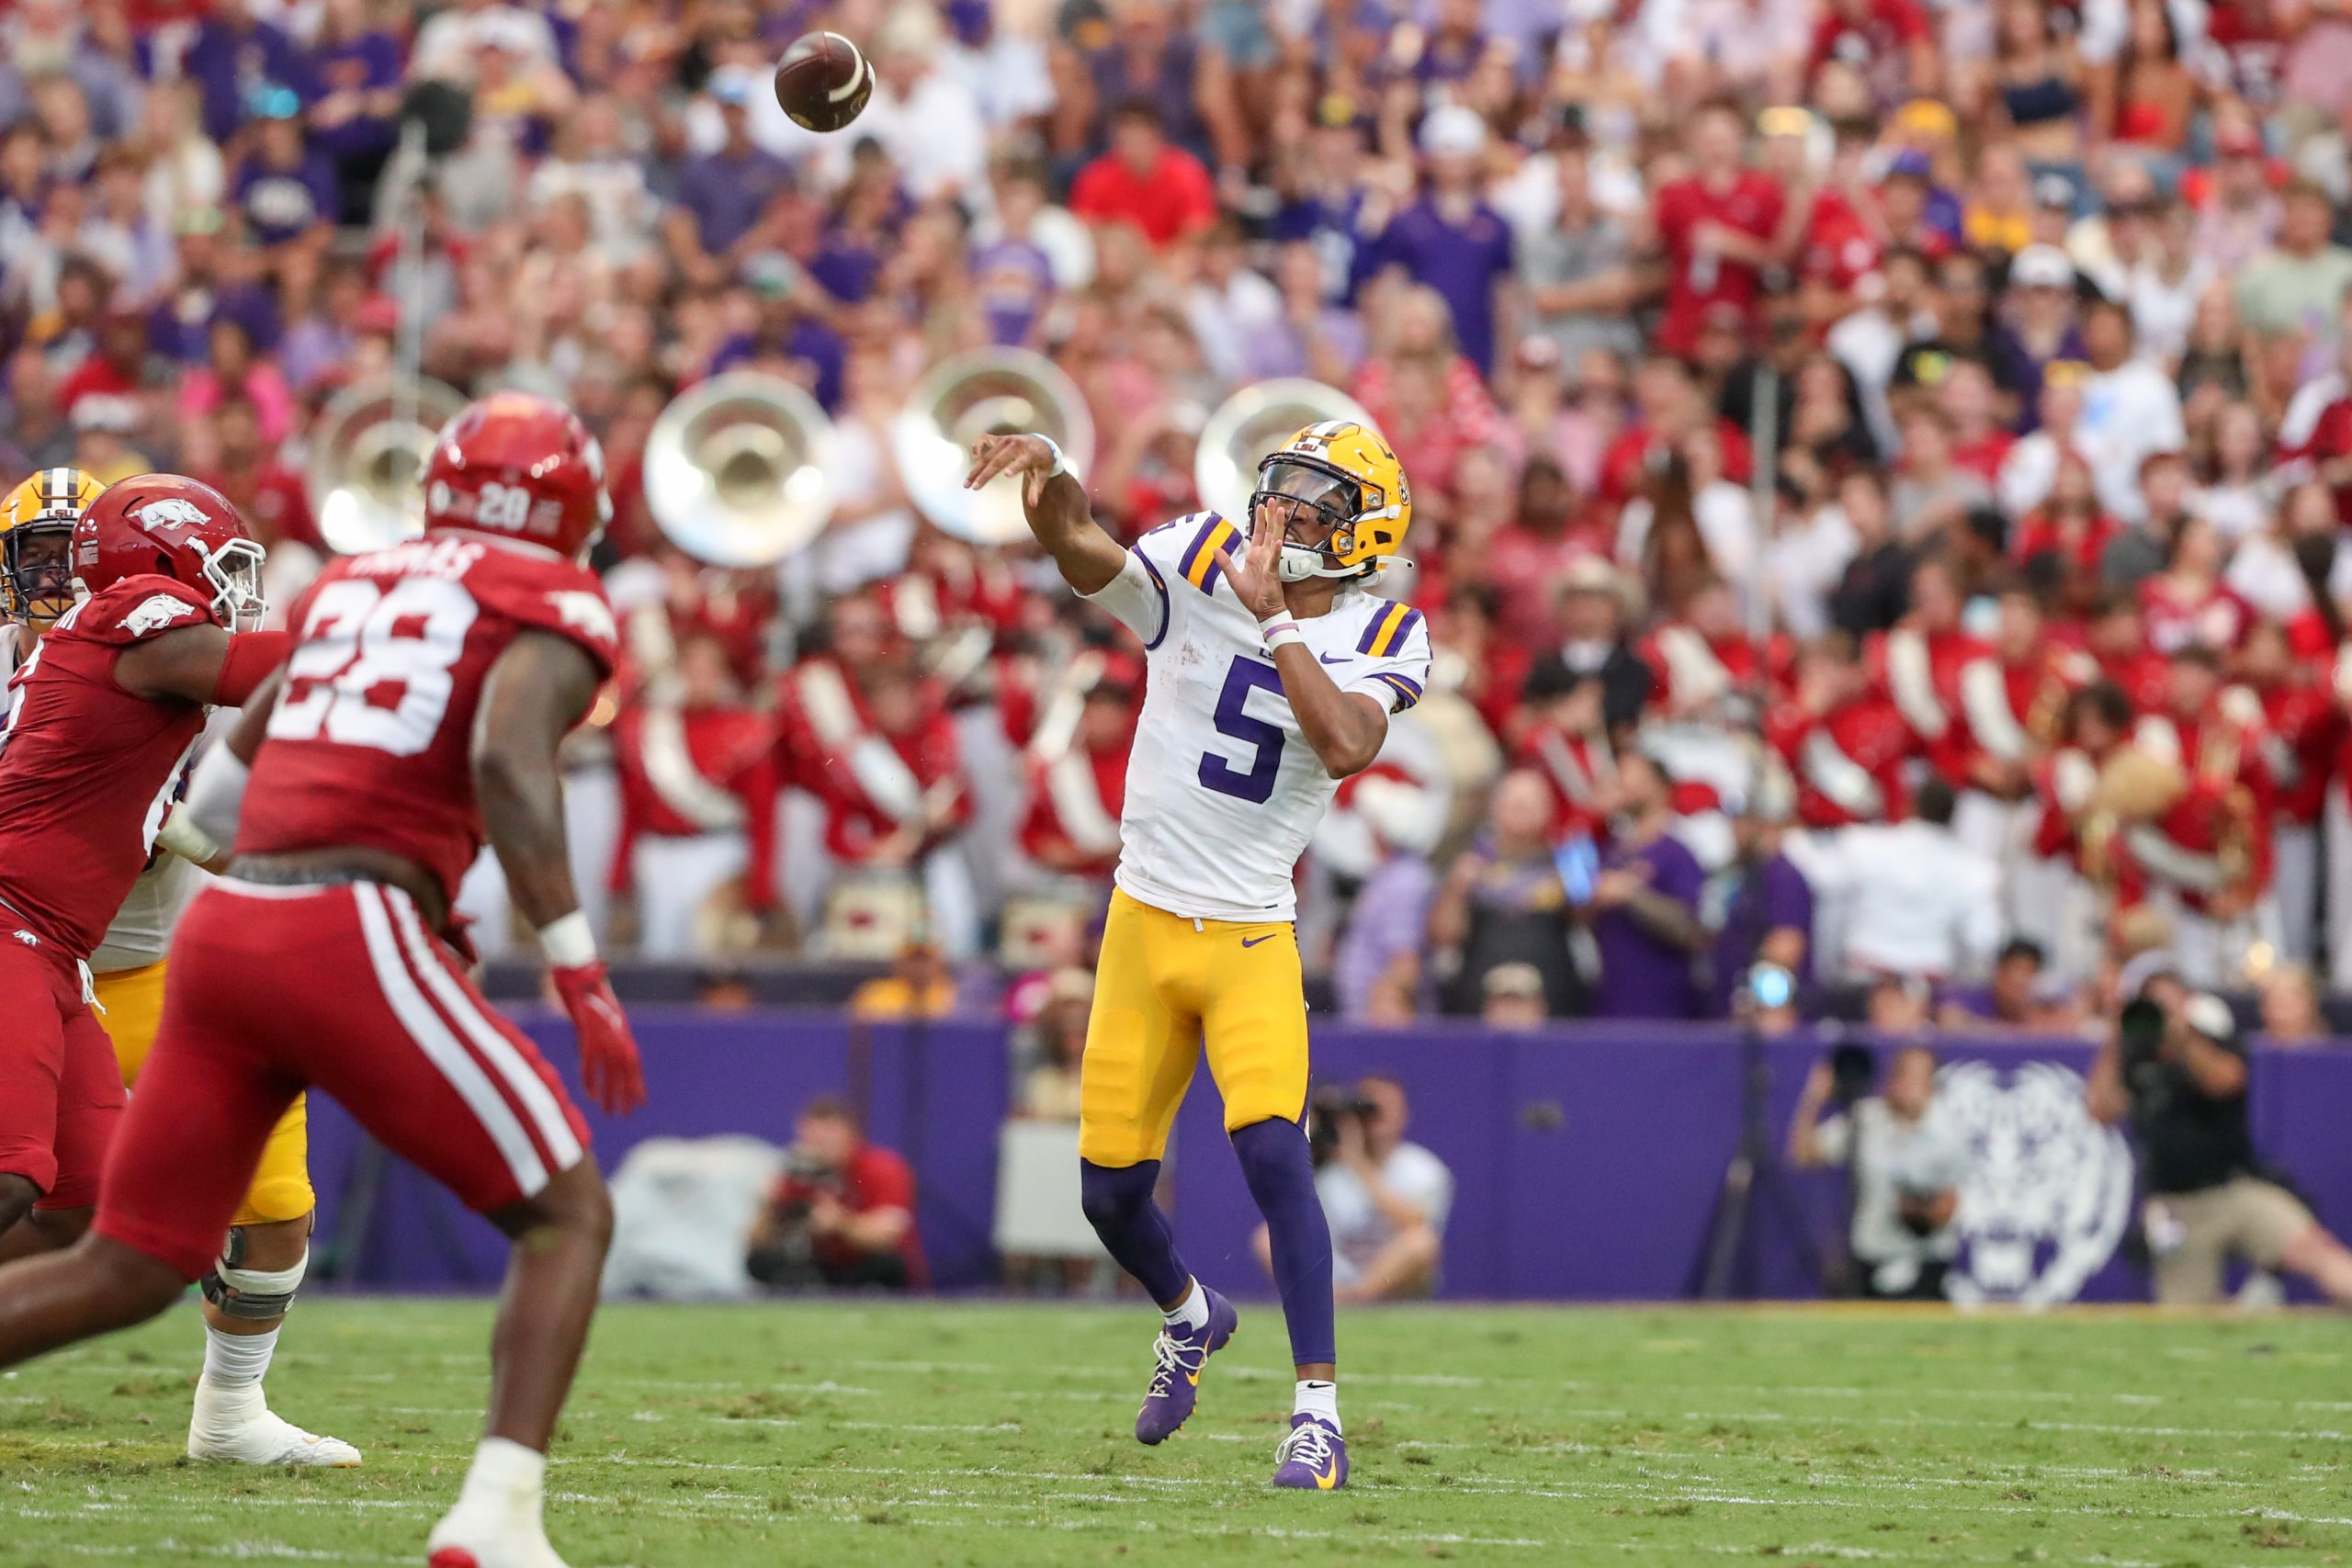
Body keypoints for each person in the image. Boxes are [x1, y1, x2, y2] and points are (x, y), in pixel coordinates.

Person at [0, 394, 648, 1568]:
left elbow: (236, 774)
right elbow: (504, 756)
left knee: (119, 1247)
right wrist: (573, 963)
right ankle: (497, 1523)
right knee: (565, 1212)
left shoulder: (354, 584)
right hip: (277, 922)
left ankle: (235, 1413)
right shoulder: (537, 592)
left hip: (190, 939)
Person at [963, 413, 1434, 1491]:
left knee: (1275, 1155)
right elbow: (1084, 551)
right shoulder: (1202, 555)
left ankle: (1316, 1414)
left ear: (1362, 533)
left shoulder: (1385, 630)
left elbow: (1348, 744)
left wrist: (1275, 624)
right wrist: (1051, 474)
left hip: (1250, 930)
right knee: (1108, 1198)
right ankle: (1188, 1314)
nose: (1283, 510)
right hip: (1139, 922)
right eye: (1282, 486)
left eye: (1314, 499)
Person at [0, 473, 359, 1465]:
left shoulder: (127, 642)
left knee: (107, 1212)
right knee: (15, 1176)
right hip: (17, 932)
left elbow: (168, 806)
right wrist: (392, 636)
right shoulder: (138, 620)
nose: (50, 575)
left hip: (82, 949)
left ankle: (233, 1416)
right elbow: (261, 674)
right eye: (33, 552)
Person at [2090, 960, 2352, 1305]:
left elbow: (2223, 1080)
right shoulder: (2135, 1054)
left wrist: (2181, 1035)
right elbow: (2100, 1110)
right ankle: (2246, 1309)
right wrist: (2117, 1034)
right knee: (2187, 1321)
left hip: (2233, 1189)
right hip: (2176, 1209)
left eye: (2168, 999)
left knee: (2317, 1252)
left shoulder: (2214, 1035)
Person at [1790, 1043, 1968, 1299]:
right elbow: (1804, 1155)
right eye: (1904, 1075)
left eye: (1919, 1078)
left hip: (1925, 1259)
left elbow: (1950, 1206)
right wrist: (1814, 1098)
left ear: (1932, 1084)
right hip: (1870, 1257)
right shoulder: (1865, 1119)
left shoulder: (1948, 1132)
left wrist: (1920, 1212)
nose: (1910, 1086)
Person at [1252, 1076, 1453, 1303]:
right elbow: (1291, 1212)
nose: (1379, 1116)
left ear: (1404, 1115)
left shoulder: (1424, 1168)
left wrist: (1358, 1163)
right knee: (1268, 1235)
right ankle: (1326, 1301)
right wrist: (1312, 1129)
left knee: (1420, 1242)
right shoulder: (1329, 1170)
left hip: (1392, 1276)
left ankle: (1355, 1302)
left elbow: (1415, 1225)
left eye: (1388, 1107)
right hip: (1341, 1273)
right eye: (1370, 1107)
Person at [744, 1098, 924, 1292]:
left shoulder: (883, 1168)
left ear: (851, 1136)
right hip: (822, 1265)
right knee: (761, 1261)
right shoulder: (798, 1174)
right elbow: (755, 1242)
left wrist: (840, 1223)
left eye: (827, 1139)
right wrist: (768, 1206)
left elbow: (888, 1235)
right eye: (812, 1139)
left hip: (865, 1265)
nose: (820, 1147)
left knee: (887, 1263)